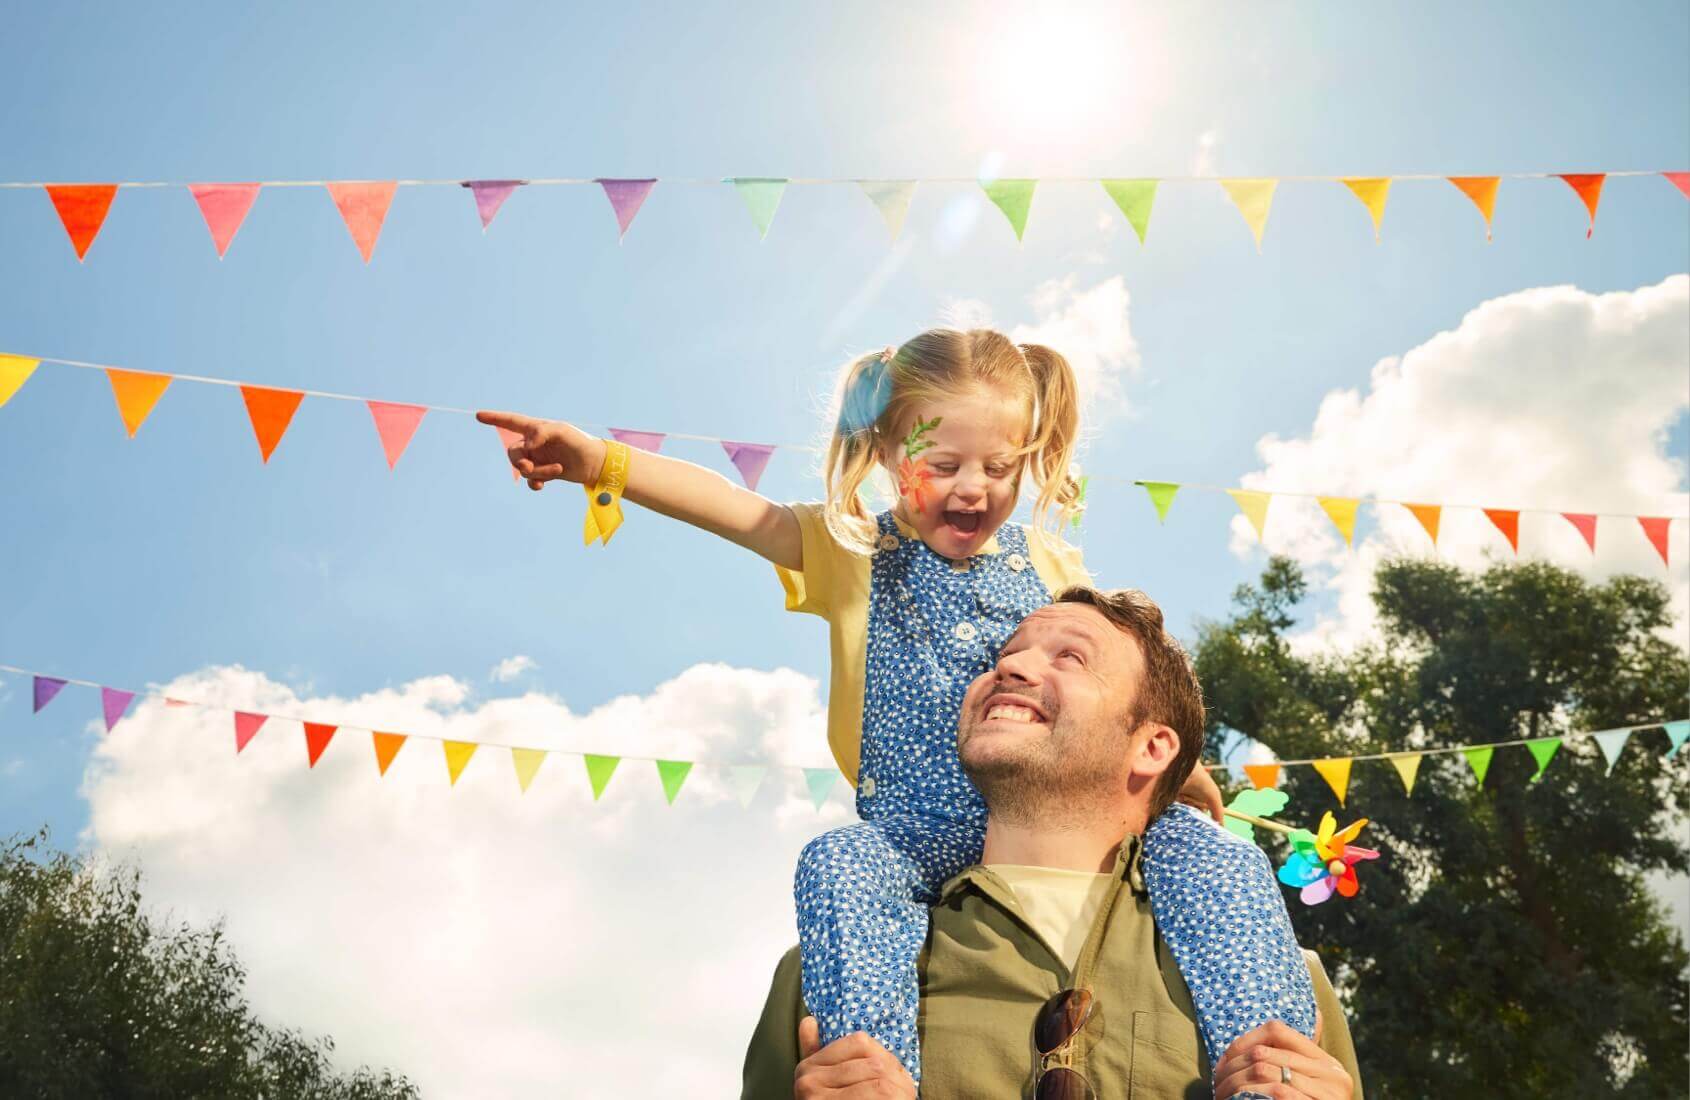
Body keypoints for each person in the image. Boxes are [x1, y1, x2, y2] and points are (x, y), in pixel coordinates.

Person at [476, 328, 1312, 1084]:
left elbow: (1106, 692)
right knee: (837, 862)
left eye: (1000, 468)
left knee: (1214, 857)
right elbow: (735, 509)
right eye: (941, 465)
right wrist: (598, 461)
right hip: (906, 837)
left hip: (1051, 822)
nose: (973, 489)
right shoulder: (849, 551)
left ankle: (1275, 1067)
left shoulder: (1050, 565)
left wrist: (1178, 769)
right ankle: (873, 1074)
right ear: (882, 450)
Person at [741, 587, 1362, 1099]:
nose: (1009, 667)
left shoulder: (1284, 984)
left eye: (1070, 657)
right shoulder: (823, 969)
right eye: (1006, 655)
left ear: (1152, 746)